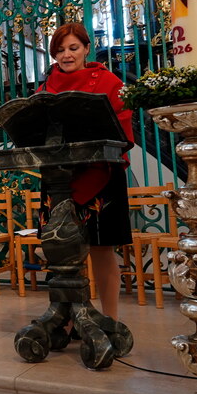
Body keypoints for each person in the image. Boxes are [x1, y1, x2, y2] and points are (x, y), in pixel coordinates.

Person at [37, 22, 134, 321]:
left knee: (102, 250)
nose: (66, 55)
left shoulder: (107, 81)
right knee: (60, 252)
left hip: (100, 174)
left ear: (86, 49)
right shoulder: (44, 88)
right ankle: (66, 319)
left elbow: (123, 127)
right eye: (60, 50)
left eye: (73, 48)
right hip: (58, 177)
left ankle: (110, 320)